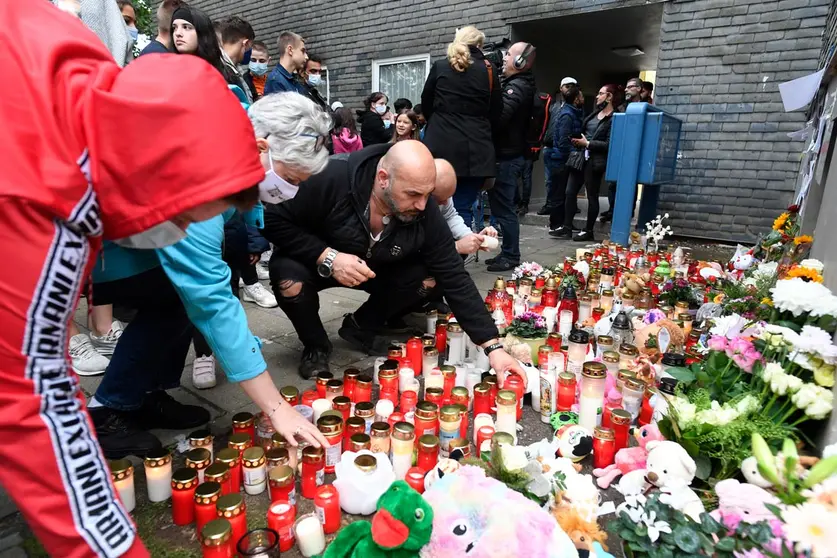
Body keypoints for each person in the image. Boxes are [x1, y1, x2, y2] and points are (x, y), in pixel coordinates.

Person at [0, 0, 270, 554]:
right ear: (165, 178)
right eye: (191, 217)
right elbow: (32, 400)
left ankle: (137, 394)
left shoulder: (88, 77)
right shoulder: (48, 199)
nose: (178, 234)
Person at [90, 93, 330, 452]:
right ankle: (107, 412)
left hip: (139, 233)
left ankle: (142, 395)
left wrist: (251, 222)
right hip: (102, 249)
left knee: (174, 300)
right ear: (262, 148)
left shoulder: (235, 131)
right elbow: (212, 300)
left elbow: (245, 200)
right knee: (179, 298)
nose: (291, 191)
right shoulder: (200, 178)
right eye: (291, 178)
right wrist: (277, 407)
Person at [261, 140, 528, 387]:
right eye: (413, 194)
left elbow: (454, 274)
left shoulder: (424, 208)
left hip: (379, 266)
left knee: (430, 276)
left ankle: (361, 325)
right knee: (288, 278)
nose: (423, 205)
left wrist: (493, 347)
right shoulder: (330, 177)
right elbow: (272, 219)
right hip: (320, 261)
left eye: (428, 195)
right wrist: (328, 257)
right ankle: (316, 345)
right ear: (383, 179)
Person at [421, 26, 501, 237]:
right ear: (479, 46)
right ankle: (458, 258)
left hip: (440, 146)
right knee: (462, 207)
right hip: (475, 151)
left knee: (430, 205)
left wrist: (440, 122)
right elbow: (496, 111)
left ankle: (433, 257)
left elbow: (426, 103)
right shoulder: (489, 69)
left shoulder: (440, 66)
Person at [485, 41, 536, 272]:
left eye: (509, 55)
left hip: (507, 157)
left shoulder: (518, 87)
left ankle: (511, 256)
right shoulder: (517, 84)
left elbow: (500, 117)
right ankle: (507, 253)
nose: (504, 58)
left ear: (519, 62)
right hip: (506, 155)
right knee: (500, 207)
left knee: (504, 209)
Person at [565, 84, 617, 241]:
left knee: (592, 196)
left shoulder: (615, 118)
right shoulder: (595, 114)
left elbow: (610, 144)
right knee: (569, 191)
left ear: (609, 97)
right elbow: (584, 132)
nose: (597, 96)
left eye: (601, 94)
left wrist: (587, 144)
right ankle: (567, 227)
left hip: (594, 161)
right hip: (581, 157)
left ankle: (588, 230)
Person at [434, 159, 498, 256]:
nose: (446, 202)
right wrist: (457, 247)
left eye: (449, 196)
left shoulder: (443, 194)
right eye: (440, 199)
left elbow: (450, 216)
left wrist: (472, 237)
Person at [547, 84, 584, 238]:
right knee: (558, 193)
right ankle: (556, 225)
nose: (583, 99)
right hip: (560, 160)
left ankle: (564, 223)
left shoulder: (574, 113)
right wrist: (574, 152)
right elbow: (563, 141)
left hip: (563, 159)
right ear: (576, 99)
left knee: (565, 193)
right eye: (581, 96)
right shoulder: (568, 115)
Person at [170, 5, 225, 76]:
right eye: (174, 28)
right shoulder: (168, 71)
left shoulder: (219, 73)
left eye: (186, 27)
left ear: (201, 33)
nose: (178, 33)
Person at [218, 15, 256, 103]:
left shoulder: (235, 70)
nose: (251, 52)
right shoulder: (222, 72)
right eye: (251, 46)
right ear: (245, 43)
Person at [264, 31, 307, 95]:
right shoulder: (276, 81)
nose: (306, 57)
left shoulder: (293, 80)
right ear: (290, 50)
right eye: (302, 51)